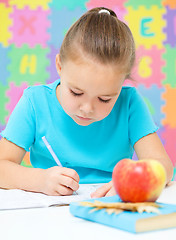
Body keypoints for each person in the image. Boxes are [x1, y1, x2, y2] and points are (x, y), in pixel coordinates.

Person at [0, 7, 173, 197]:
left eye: (104, 99)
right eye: (76, 92)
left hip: (109, 206)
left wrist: (135, 182)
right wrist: (40, 180)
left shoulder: (129, 103)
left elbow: (163, 165)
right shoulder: (35, 102)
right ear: (59, 66)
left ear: (122, 82)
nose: (87, 108)